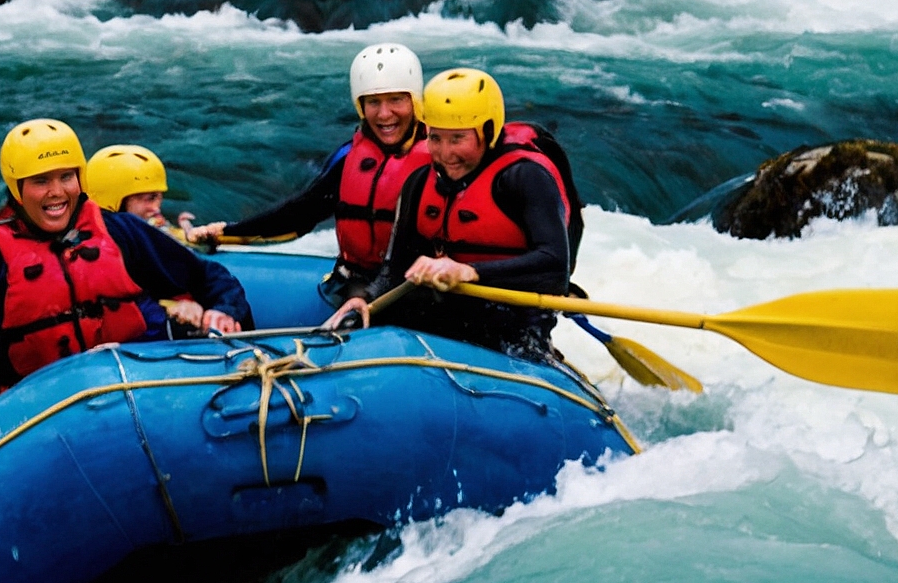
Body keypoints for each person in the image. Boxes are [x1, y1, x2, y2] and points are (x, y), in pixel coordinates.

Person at [0, 119, 254, 393]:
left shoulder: (120, 232)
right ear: (17, 189)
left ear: (80, 179)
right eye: (41, 181)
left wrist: (224, 310)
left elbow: (210, 277)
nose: (56, 192)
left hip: (137, 383)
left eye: (66, 177)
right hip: (48, 410)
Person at [329, 68, 576, 359]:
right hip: (445, 313)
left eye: (457, 139)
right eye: (435, 138)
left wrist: (469, 271)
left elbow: (554, 267)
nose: (445, 154)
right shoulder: (419, 182)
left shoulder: (524, 178)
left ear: (487, 132)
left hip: (512, 320)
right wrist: (366, 297)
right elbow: (394, 270)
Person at [198, 42, 430, 305]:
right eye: (373, 102)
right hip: (354, 283)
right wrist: (227, 231)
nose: (384, 114)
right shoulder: (348, 158)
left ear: (414, 101)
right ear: (361, 106)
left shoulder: (441, 160)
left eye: (396, 100)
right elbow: (300, 213)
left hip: (414, 291)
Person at [83, 144, 219, 244]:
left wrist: (189, 233)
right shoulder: (91, 250)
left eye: (158, 198)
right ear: (114, 202)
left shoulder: (150, 225)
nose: (156, 209)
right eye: (150, 198)